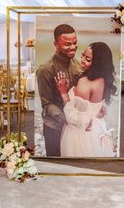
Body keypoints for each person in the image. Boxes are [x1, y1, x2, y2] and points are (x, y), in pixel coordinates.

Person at [55, 42, 117, 157]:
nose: (82, 60)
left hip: (80, 135)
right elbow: (94, 105)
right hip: (97, 130)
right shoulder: (104, 79)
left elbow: (74, 118)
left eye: (88, 59)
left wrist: (63, 92)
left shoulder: (84, 82)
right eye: (83, 55)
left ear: (98, 63)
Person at [36, 24, 82, 157]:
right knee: (56, 162)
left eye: (75, 43)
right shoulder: (45, 69)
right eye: (67, 44)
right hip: (54, 127)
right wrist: (69, 119)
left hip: (75, 127)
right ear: (56, 44)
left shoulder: (79, 65)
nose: (73, 47)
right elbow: (47, 104)